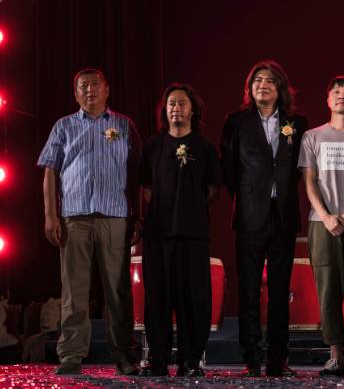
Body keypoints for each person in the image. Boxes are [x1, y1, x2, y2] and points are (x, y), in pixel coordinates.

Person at [37, 68, 142, 376]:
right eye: (83, 86)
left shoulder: (124, 125)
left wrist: (138, 216)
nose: (90, 90)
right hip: (74, 218)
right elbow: (49, 171)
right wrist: (50, 215)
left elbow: (138, 174)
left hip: (115, 216)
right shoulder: (63, 126)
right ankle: (71, 354)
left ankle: (124, 355)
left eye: (96, 84)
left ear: (107, 90)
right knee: (74, 291)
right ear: (76, 94)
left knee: (118, 291)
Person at [220, 60, 309, 377]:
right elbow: (229, 169)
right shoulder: (237, 122)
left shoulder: (297, 123)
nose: (263, 84)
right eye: (257, 80)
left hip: (283, 215)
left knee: (280, 291)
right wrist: (249, 195)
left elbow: (300, 168)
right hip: (249, 216)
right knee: (248, 291)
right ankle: (252, 359)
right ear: (250, 88)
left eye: (270, 80)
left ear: (280, 87)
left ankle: (276, 359)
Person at [138, 83, 221, 377]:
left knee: (193, 299)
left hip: (194, 234)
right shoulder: (152, 147)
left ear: (193, 110)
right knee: (157, 298)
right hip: (158, 234)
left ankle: (191, 360)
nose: (176, 108)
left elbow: (213, 189)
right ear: (165, 110)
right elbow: (146, 187)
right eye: (171, 103)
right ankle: (158, 359)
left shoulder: (205, 147)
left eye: (182, 103)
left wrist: (188, 208)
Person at [299, 76, 344, 377]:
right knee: (327, 287)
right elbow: (309, 182)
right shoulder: (312, 137)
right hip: (322, 223)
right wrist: (327, 216)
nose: (342, 95)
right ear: (328, 100)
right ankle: (334, 355)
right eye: (336, 91)